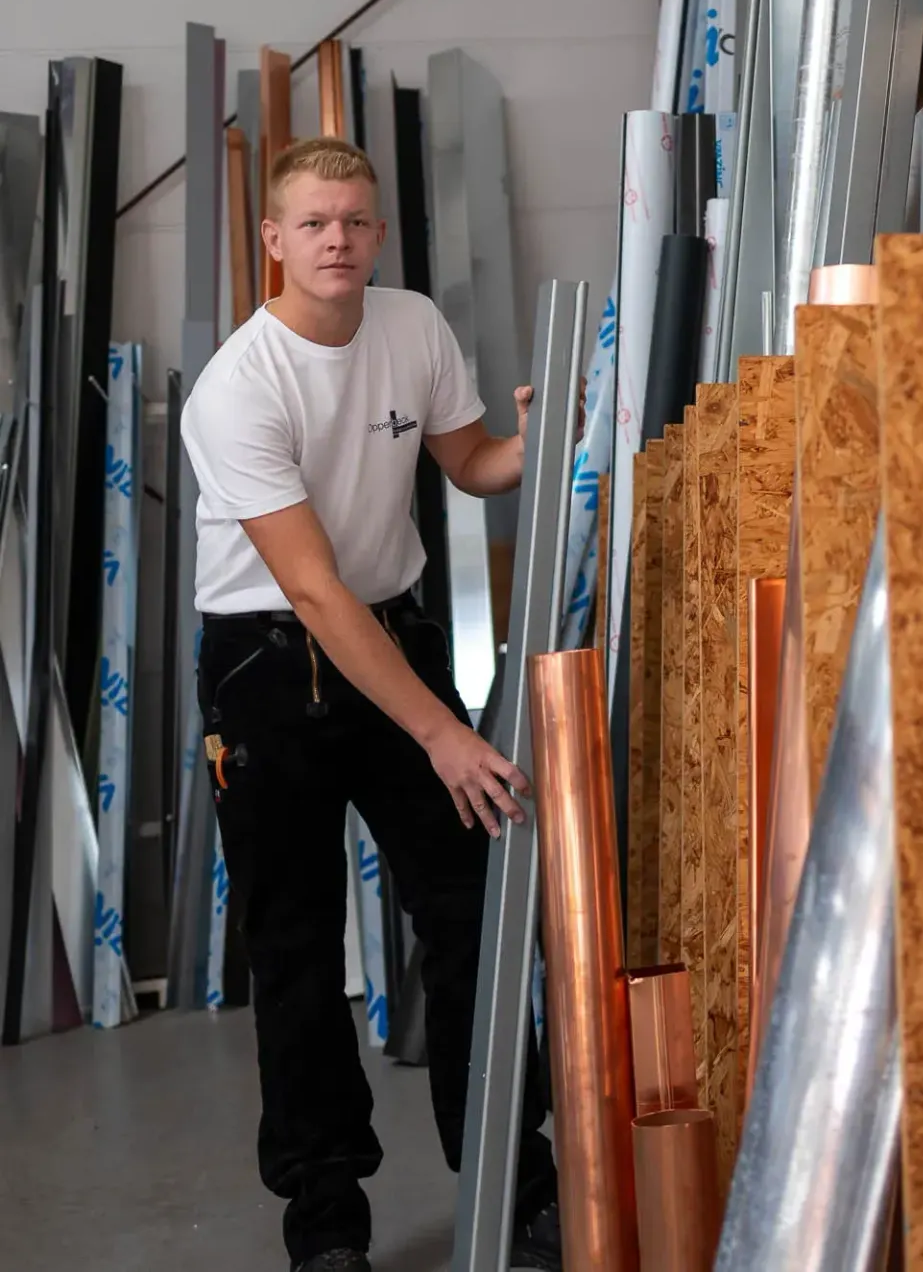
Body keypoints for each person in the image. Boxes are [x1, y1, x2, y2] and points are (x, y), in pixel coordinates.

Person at [182, 136, 561, 1272]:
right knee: (295, 946)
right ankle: (326, 1225)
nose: (336, 240)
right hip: (268, 666)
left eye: (354, 220)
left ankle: (512, 1183)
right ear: (274, 240)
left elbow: (474, 463)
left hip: (393, 632)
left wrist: (548, 433)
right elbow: (312, 588)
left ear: (379, 233)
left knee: (470, 911)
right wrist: (441, 733)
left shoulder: (412, 327)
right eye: (312, 223)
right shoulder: (239, 388)